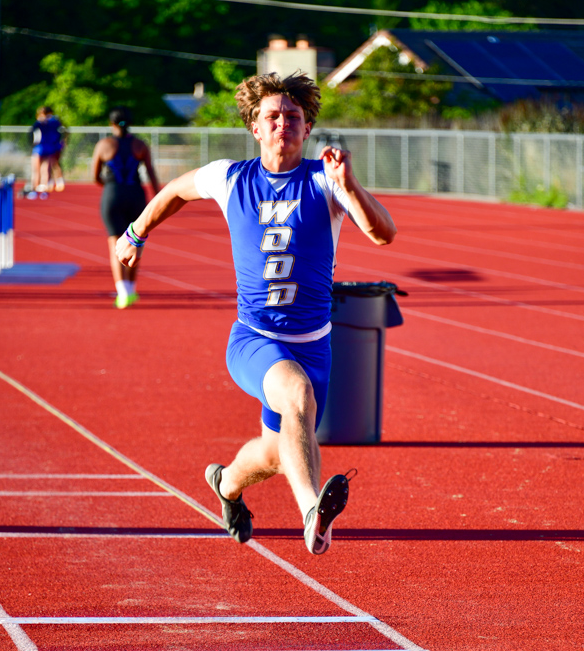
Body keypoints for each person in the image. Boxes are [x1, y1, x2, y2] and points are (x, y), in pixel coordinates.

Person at [115, 72, 396, 554]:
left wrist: (349, 183)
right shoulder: (230, 178)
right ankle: (312, 512)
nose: (283, 124)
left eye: (293, 117)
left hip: (315, 346)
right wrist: (136, 232)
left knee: (274, 453)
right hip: (254, 339)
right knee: (297, 394)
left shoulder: (326, 181)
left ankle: (226, 484)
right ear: (255, 127)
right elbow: (176, 190)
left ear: (308, 128)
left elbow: (383, 234)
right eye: (273, 116)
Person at [92, 107, 160, 309]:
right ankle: (131, 289)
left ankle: (122, 293)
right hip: (136, 196)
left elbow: (95, 176)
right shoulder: (140, 145)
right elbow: (151, 174)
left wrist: (111, 187)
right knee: (135, 242)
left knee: (115, 244)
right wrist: (159, 198)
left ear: (111, 123)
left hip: (112, 195)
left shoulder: (104, 144)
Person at [29, 106, 66, 195]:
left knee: (39, 169)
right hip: (48, 147)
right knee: (45, 168)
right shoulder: (54, 121)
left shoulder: (43, 122)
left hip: (42, 147)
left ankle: (36, 188)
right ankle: (43, 187)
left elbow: (32, 132)